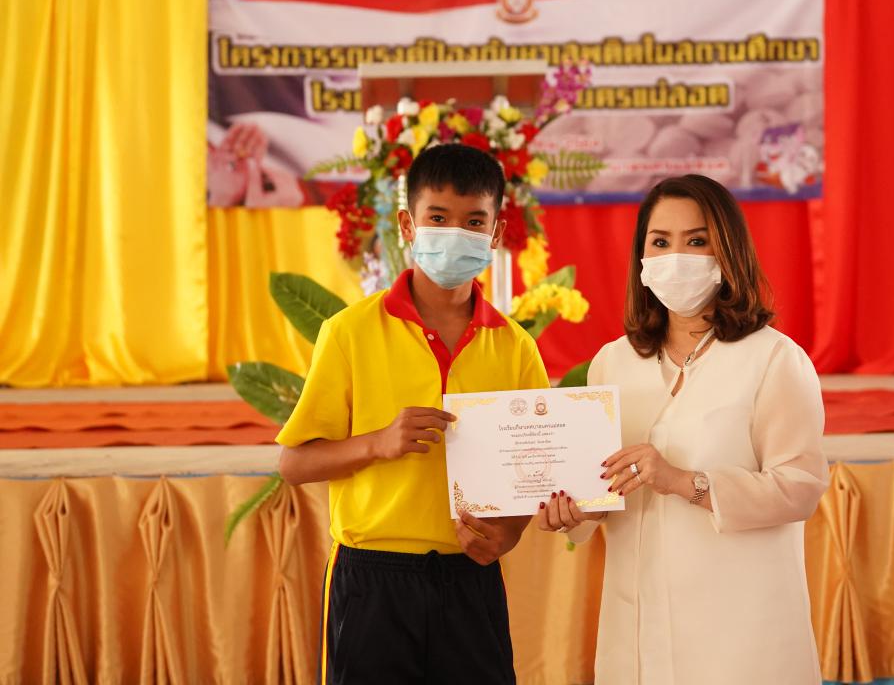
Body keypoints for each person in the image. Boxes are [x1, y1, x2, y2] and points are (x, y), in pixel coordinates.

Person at [537, 174, 829, 684]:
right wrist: (576, 511)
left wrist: (682, 481)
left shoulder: (774, 359)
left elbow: (799, 487)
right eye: (660, 242)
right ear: (642, 258)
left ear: (728, 252)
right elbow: (602, 487)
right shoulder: (613, 362)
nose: (676, 257)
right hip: (638, 627)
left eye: (696, 241)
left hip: (742, 630)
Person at [275, 143, 549, 685]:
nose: (456, 233)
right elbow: (293, 464)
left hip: (470, 577)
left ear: (496, 234)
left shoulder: (515, 346)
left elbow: (536, 468)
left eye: (474, 221)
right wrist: (377, 443)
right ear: (407, 225)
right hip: (372, 578)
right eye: (438, 218)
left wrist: (511, 534)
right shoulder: (349, 333)